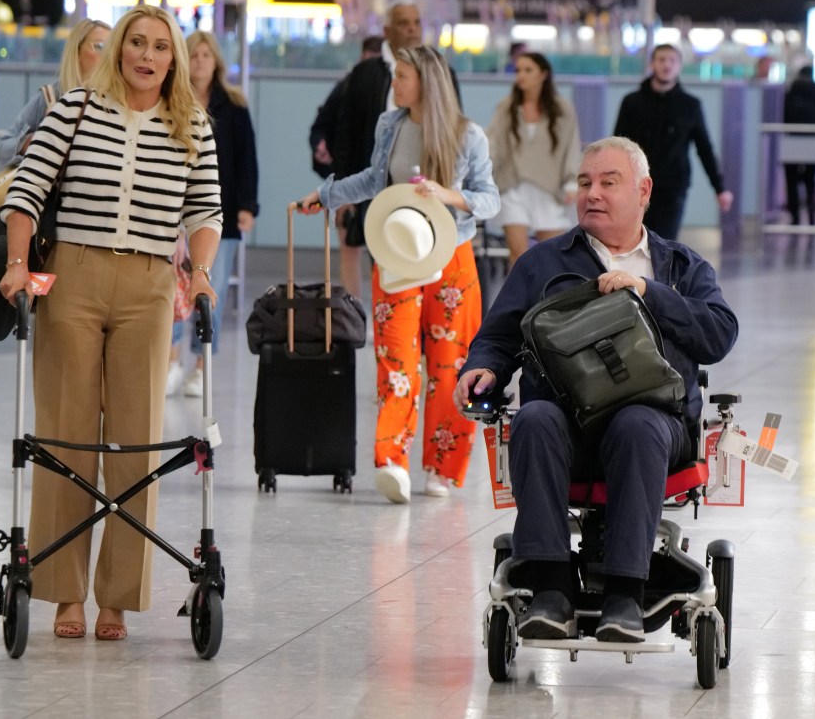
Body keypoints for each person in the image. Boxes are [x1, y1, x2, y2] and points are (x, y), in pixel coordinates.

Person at [454, 136, 738, 642]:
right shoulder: (543, 264)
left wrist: (648, 292)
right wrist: (483, 370)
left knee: (637, 424)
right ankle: (551, 591)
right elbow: (496, 337)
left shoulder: (680, 266)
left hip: (654, 427)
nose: (593, 194)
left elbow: (718, 334)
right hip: (565, 422)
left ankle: (625, 596)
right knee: (534, 419)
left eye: (609, 182)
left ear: (644, 191)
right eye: (585, 182)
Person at [0, 5, 222, 641]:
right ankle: (64, 592)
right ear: (119, 48)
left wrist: (198, 272)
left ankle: (117, 597)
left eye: (160, 46)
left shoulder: (193, 125)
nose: (146, 55)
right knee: (67, 433)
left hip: (151, 283)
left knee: (135, 444)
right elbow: (27, 190)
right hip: (73, 276)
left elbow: (206, 210)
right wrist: (18, 264)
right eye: (136, 43)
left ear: (173, 59)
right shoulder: (73, 109)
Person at [300, 46, 499, 503]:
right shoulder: (389, 124)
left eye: (403, 76)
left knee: (451, 365)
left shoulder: (468, 135)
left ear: (426, 81)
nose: (395, 84)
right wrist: (325, 194)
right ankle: (392, 460)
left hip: (452, 255)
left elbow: (489, 198)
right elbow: (373, 179)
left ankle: (443, 468)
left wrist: (447, 194)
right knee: (396, 362)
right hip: (396, 250)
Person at [332, 0, 460, 299]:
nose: (413, 28)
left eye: (416, 21)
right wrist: (340, 192)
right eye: (404, 23)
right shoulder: (366, 74)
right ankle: (388, 318)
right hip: (381, 185)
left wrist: (449, 193)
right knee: (386, 258)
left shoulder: (442, 73)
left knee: (428, 260)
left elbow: (456, 137)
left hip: (429, 190)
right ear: (388, 31)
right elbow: (346, 133)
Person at [166, 30, 258, 397]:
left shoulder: (234, 105)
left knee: (210, 290)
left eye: (207, 53)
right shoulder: (173, 100)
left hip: (224, 213)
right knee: (174, 290)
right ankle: (171, 362)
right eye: (195, 54)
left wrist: (249, 207)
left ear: (216, 60)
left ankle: (201, 366)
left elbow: (247, 160)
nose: (201, 60)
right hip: (174, 212)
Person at [614, 44, 733, 241]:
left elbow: (704, 148)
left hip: (673, 186)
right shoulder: (632, 102)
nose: (667, 65)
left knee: (665, 242)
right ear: (653, 64)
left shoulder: (690, 105)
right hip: (637, 183)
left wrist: (719, 188)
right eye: (661, 60)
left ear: (679, 66)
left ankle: (660, 274)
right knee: (635, 238)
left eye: (672, 60)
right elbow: (618, 144)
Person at [486, 51, 581, 265]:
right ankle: (517, 299)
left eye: (528, 70)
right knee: (517, 255)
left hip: (549, 188)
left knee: (551, 257)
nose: (521, 75)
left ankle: (547, 299)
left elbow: (571, 146)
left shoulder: (562, 109)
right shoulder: (506, 108)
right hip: (513, 187)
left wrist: (572, 180)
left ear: (543, 74)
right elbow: (494, 146)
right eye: (518, 70)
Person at [0, 18, 111, 169]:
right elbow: (2, 147)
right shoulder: (52, 96)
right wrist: (38, 140)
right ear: (77, 51)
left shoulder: (120, 99)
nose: (108, 55)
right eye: (100, 46)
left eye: (113, 49)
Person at [309, 35, 383, 180]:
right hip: (347, 172)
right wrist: (320, 144)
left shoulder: (388, 91)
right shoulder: (347, 87)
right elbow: (322, 125)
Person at [782, 65, 815, 226]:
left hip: (791, 141)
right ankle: (812, 214)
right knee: (810, 179)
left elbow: (783, 114)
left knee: (791, 180)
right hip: (814, 142)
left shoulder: (791, 91)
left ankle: (795, 216)